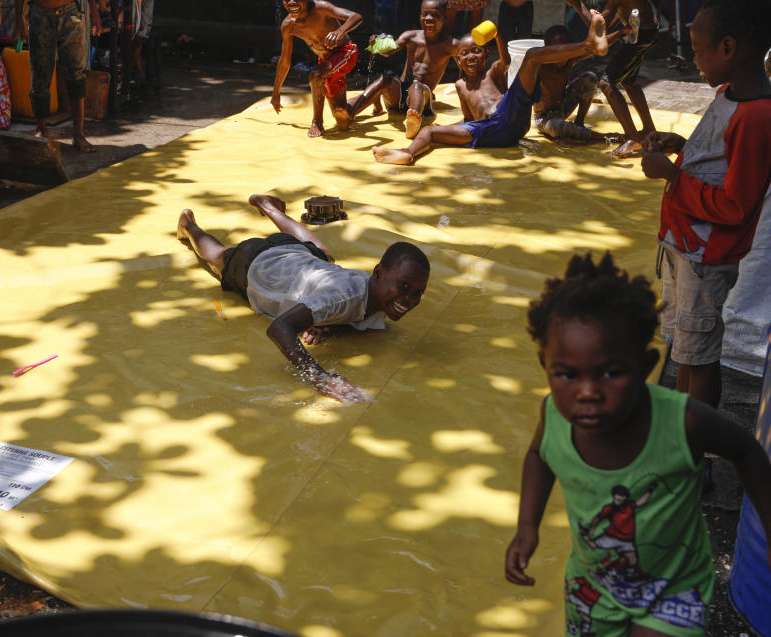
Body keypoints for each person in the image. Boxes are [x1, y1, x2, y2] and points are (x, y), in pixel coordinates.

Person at [504, 252, 771, 637]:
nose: (588, 392)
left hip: (673, 588)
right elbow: (537, 456)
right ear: (545, 364)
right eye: (566, 374)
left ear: (646, 366)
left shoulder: (683, 421)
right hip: (593, 588)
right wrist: (527, 525)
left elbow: (746, 450)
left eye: (611, 372)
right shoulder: (554, 416)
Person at [641, 0, 771, 410]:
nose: (693, 59)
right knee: (686, 349)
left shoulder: (756, 117)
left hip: (706, 255)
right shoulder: (730, 97)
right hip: (688, 246)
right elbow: (720, 163)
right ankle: (683, 432)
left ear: (728, 48)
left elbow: (736, 206)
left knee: (701, 357)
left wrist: (672, 176)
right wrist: (681, 148)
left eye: (697, 50)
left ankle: (697, 448)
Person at [176, 195, 430, 404]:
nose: (409, 299)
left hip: (300, 252)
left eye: (418, 292)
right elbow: (280, 328)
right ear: (378, 273)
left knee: (325, 255)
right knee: (220, 258)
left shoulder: (373, 290)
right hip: (259, 262)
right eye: (404, 286)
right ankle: (189, 226)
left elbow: (344, 308)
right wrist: (320, 377)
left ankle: (267, 207)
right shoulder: (341, 297)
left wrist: (330, 323)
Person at [372, 9, 608, 164]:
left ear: (485, 54)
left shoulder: (493, 72)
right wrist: (448, 128)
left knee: (533, 56)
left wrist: (495, 36)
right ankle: (407, 153)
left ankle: (589, 45)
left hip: (512, 117)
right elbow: (467, 119)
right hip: (491, 132)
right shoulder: (460, 84)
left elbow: (505, 61)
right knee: (430, 131)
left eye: (476, 51)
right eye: (465, 53)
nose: (471, 56)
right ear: (458, 60)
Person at [346, 0, 457, 139]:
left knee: (416, 86)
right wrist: (376, 44)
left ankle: (413, 119)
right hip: (398, 98)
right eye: (425, 14)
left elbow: (466, 67)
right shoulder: (410, 36)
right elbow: (388, 51)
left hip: (421, 100)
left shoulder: (450, 45)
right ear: (420, 16)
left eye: (435, 15)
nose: (429, 18)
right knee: (387, 77)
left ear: (445, 17)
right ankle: (350, 112)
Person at [566, 0, 657, 157]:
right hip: (643, 31)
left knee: (606, 83)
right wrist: (613, 32)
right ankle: (648, 129)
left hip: (640, 33)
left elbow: (597, 28)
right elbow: (608, 25)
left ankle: (632, 137)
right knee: (629, 81)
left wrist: (577, 5)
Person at [13, 0, 102, 152]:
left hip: (70, 13)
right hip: (39, 14)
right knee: (40, 74)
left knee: (76, 74)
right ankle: (41, 129)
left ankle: (78, 135)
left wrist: (95, 12)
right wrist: (19, 20)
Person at [271, 0, 364, 138]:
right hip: (326, 62)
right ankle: (376, 90)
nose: (291, 2)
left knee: (316, 75)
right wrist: (276, 92)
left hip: (345, 53)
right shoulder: (288, 25)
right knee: (342, 117)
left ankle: (317, 122)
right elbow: (285, 60)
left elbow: (356, 16)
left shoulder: (321, 7)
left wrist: (340, 31)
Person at [534, 24, 621, 142]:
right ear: (547, 48)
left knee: (590, 78)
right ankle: (600, 137)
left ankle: (579, 122)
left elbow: (593, 47)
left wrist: (621, 32)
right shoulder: (540, 65)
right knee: (556, 127)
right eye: (555, 48)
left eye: (563, 48)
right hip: (544, 118)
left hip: (562, 107)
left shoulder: (569, 59)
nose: (559, 53)